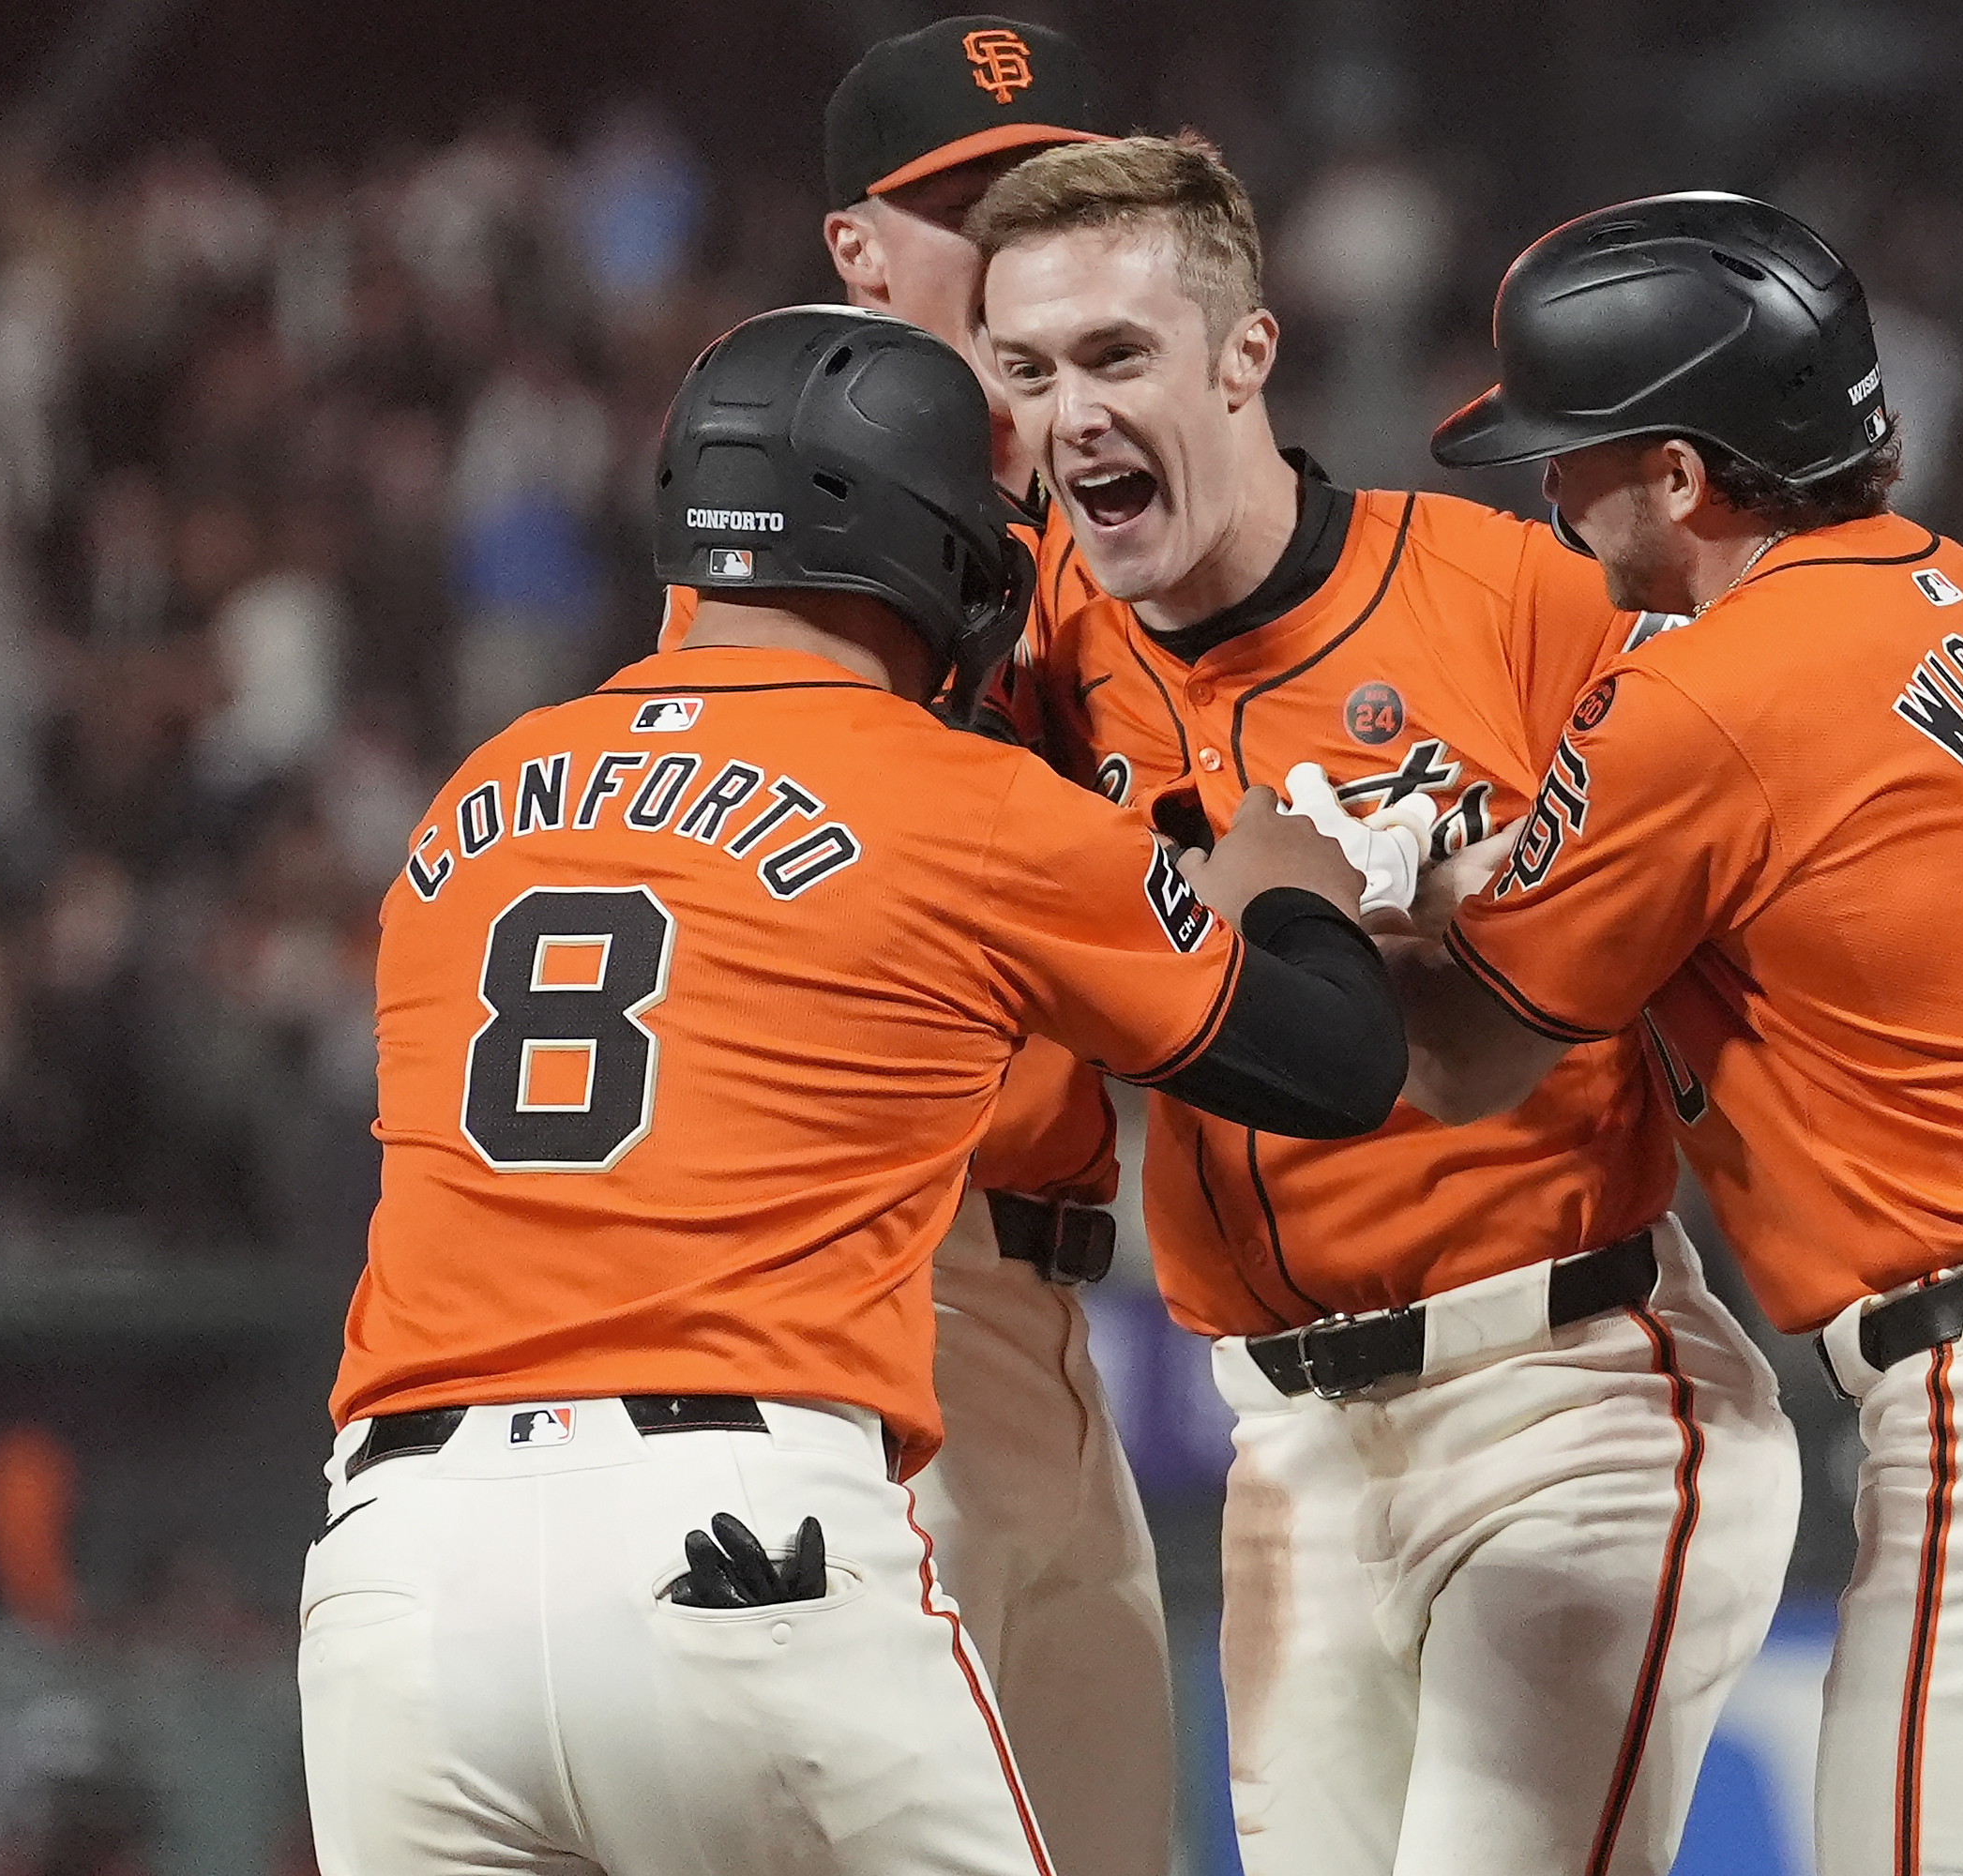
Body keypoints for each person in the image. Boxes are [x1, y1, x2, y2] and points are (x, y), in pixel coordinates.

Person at [970, 138, 1963, 1876]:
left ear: (1244, 356)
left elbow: (1851, 705)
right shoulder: (1018, 657)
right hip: (1285, 1447)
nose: (1069, 413)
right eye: (1023, 371)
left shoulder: (1524, 595)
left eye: (1117, 355)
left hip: (1564, 1386)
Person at [298, 304, 1411, 1876]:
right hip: (736, 1540)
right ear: (939, 548)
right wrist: (1286, 887)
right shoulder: (962, 800)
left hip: (392, 1578)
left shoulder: (476, 793)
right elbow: (1335, 1063)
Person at [1399, 192, 1963, 1876]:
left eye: (1575, 449)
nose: (1547, 488)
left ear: (1680, 474)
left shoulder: (1700, 696)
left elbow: (1473, 1053)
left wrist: (1338, 896)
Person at [663, 27, 1185, 1874]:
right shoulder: (799, 505)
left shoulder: (1154, 525)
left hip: (1049, 1313)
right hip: (848, 1302)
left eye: (1062, 197)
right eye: (970, 207)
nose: (1028, 237)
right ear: (857, 254)